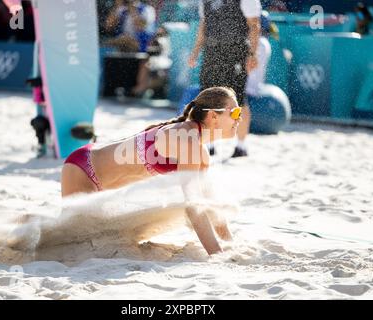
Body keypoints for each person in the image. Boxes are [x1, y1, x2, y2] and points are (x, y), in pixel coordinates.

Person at [61, 87, 242, 255]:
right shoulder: (188, 142)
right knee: (66, 242)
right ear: (213, 116)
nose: (239, 118)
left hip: (103, 188)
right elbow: (194, 207)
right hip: (83, 169)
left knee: (100, 241)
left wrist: (230, 245)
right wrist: (217, 254)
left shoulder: (200, 151)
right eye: (234, 112)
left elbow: (208, 203)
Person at [188, 0, 262, 158]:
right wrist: (195, 52)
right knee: (207, 100)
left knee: (238, 101)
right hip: (212, 52)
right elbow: (204, 25)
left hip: (236, 52)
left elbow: (254, 25)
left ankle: (240, 146)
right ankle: (210, 144)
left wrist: (252, 54)